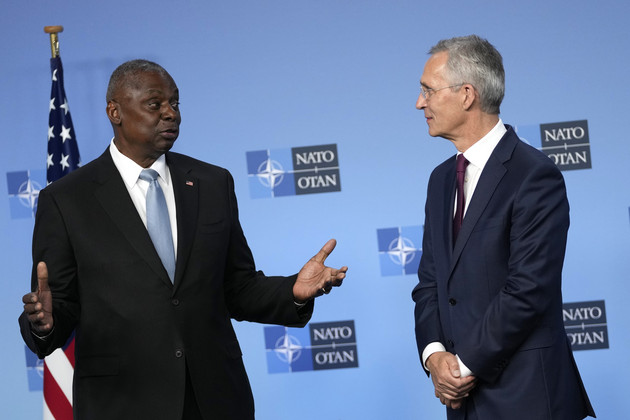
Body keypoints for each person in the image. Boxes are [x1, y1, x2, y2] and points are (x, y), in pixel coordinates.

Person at [19, 59, 348, 420]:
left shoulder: (212, 183)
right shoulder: (67, 200)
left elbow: (237, 287)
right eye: (155, 104)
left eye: (175, 103)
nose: (170, 114)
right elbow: (56, 304)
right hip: (121, 403)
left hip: (215, 399)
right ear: (115, 111)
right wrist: (44, 322)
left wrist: (292, 292)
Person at [411, 35, 595, 419]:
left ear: (466, 95)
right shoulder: (440, 179)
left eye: (428, 90)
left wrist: (462, 366)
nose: (419, 103)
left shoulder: (534, 175)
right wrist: (434, 356)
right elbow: (430, 281)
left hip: (527, 398)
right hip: (461, 402)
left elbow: (527, 290)